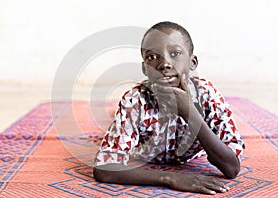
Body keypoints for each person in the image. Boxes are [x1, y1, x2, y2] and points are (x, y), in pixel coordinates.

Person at [93, 21, 245, 195]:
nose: (164, 64)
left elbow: (232, 167)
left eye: (175, 53)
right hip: (144, 154)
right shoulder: (135, 100)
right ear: (144, 68)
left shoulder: (208, 96)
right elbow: (103, 168)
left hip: (192, 146)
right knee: (115, 125)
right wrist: (170, 178)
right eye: (152, 57)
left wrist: (189, 112)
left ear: (192, 62)